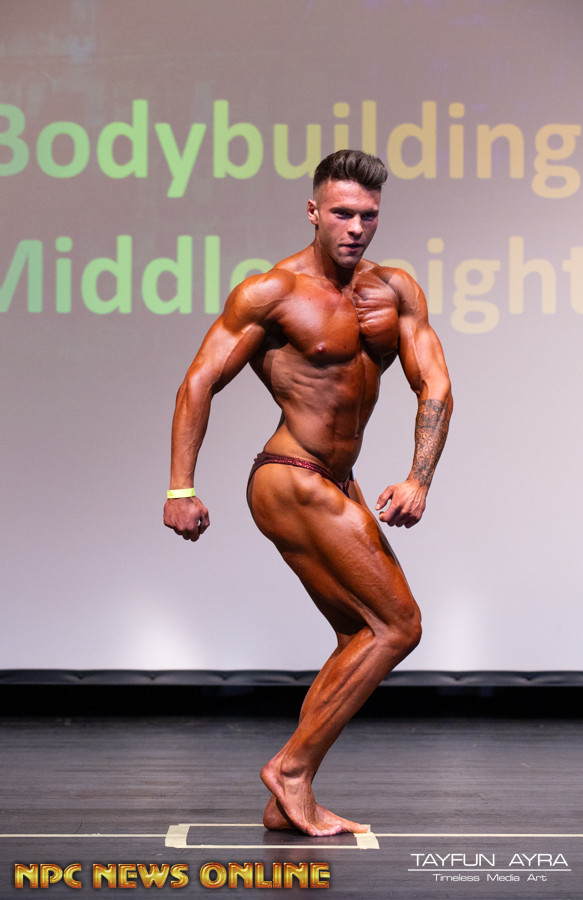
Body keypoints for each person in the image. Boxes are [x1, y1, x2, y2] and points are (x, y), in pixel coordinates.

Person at [163, 149, 452, 837]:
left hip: (339, 481)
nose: (356, 227)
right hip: (290, 474)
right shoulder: (272, 292)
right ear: (314, 212)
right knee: (399, 625)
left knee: (362, 632)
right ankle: (291, 770)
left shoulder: (396, 291)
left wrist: (418, 478)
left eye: (368, 215)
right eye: (343, 213)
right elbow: (199, 380)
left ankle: (288, 792)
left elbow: (435, 385)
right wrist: (180, 485)